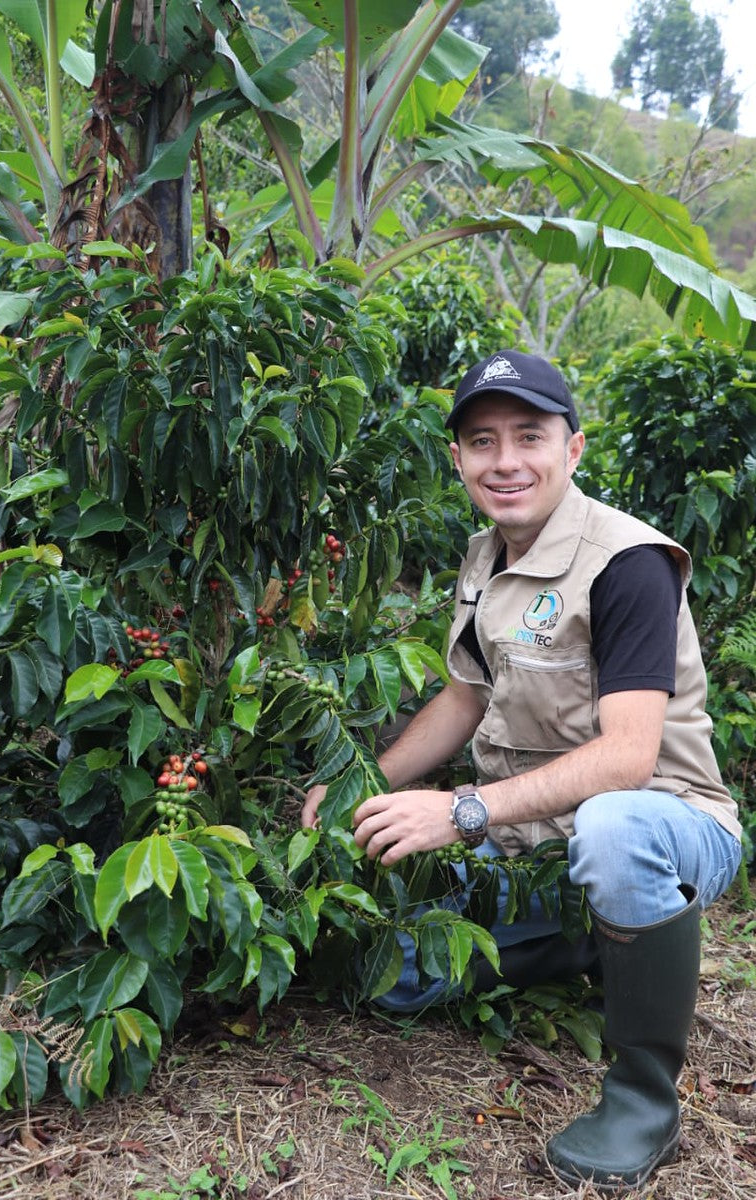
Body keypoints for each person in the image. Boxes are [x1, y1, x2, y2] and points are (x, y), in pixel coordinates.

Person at [301, 349, 742, 1191]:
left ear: (573, 449)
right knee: (388, 977)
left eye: (529, 436)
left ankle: (644, 1098)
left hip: (667, 822)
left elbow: (628, 757)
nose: (505, 461)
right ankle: (586, 941)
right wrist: (364, 785)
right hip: (531, 835)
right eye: (481, 441)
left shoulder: (628, 563)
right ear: (459, 458)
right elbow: (464, 698)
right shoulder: (487, 555)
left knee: (614, 830)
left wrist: (459, 810)